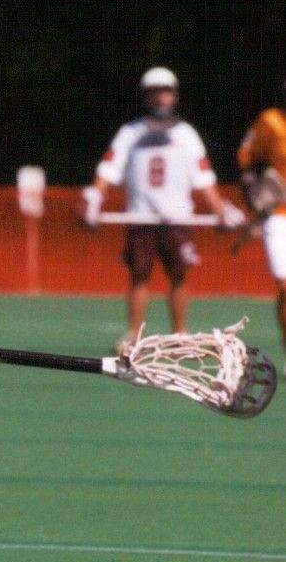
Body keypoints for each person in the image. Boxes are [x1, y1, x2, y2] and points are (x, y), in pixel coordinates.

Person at [79, 66, 244, 340]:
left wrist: (219, 210)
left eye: (165, 92)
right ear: (146, 96)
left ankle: (179, 335)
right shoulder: (130, 133)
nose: (160, 98)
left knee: (178, 276)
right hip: (140, 217)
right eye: (155, 92)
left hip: (177, 218)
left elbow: (203, 177)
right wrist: (94, 197)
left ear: (174, 95)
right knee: (139, 276)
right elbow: (109, 169)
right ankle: (134, 336)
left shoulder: (186, 134)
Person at [235, 77, 286, 372]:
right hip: (278, 213)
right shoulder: (271, 121)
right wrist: (252, 188)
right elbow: (246, 154)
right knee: (285, 286)